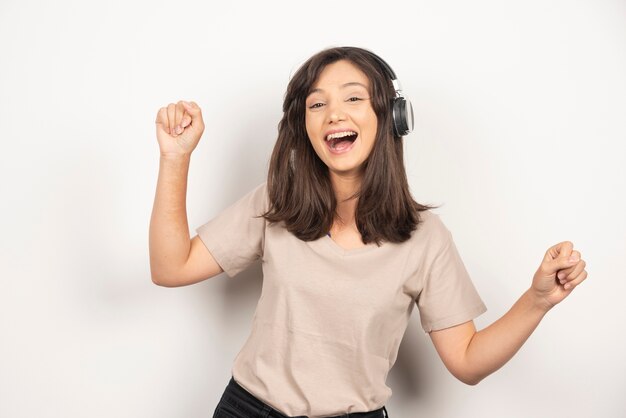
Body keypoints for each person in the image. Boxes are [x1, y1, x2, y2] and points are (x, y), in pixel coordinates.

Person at [149, 47, 588, 418]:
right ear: (305, 127)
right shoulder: (276, 203)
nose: (333, 113)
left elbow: (468, 361)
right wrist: (175, 157)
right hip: (248, 409)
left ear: (391, 116)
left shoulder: (424, 238)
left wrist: (537, 301)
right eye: (317, 104)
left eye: (353, 98)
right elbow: (171, 268)